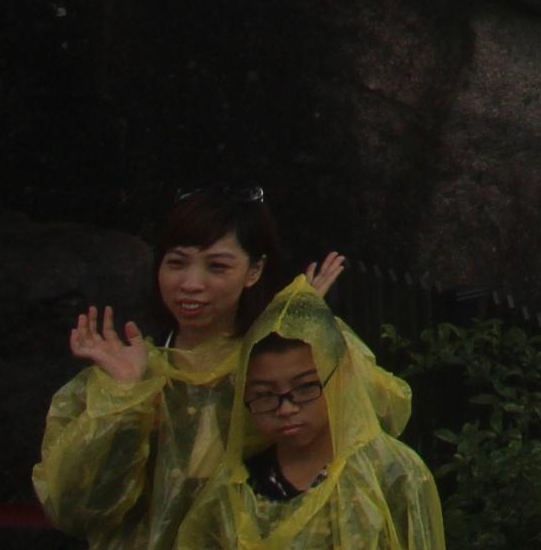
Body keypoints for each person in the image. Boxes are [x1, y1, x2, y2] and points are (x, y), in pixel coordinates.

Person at [33, 190, 344, 550]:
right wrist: (125, 399)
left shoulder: (276, 361)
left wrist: (302, 340)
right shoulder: (131, 370)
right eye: (177, 263)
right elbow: (74, 508)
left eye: (218, 266)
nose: (191, 284)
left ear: (254, 271)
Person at [202, 281, 438, 550]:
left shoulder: (393, 473)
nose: (286, 408)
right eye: (265, 394)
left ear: (340, 377)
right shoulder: (238, 487)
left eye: (304, 388)